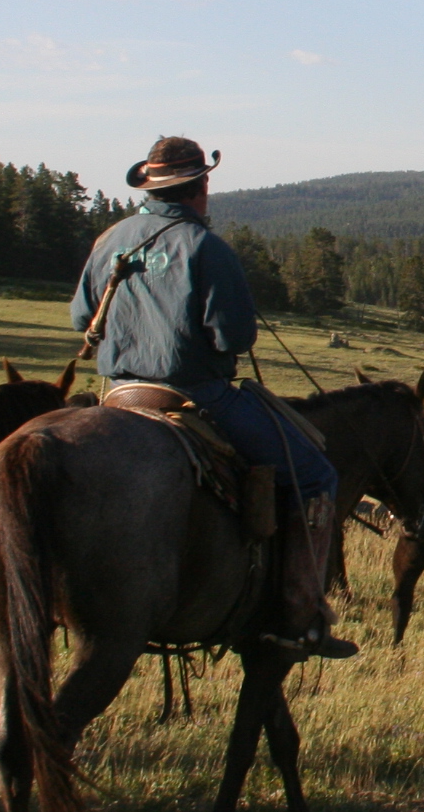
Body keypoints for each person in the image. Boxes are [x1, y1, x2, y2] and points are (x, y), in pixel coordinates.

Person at [70, 135, 355, 659]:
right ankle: (300, 614)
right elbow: (232, 338)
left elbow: (80, 318)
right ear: (200, 186)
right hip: (195, 395)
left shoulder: (110, 239)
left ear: (151, 186)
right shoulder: (204, 248)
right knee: (316, 474)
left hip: (119, 395)